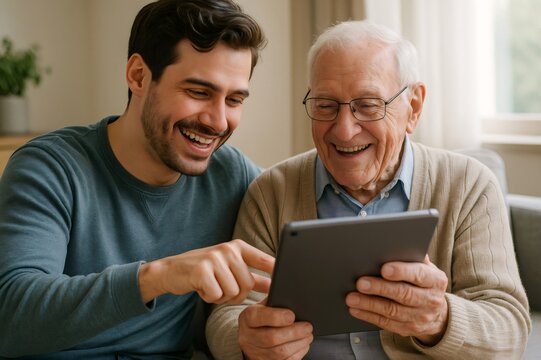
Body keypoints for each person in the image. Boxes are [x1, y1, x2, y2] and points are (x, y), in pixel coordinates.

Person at [206, 20, 531, 359]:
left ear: (414, 107)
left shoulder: (469, 186)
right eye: (325, 105)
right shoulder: (271, 192)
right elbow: (226, 317)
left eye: (368, 104)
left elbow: (508, 330)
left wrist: (440, 319)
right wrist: (246, 339)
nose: (344, 131)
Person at [0, 0, 276, 358]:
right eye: (198, 92)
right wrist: (159, 276)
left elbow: (298, 202)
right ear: (138, 76)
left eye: (235, 99)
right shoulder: (50, 168)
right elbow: (11, 317)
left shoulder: (232, 175)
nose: (218, 122)